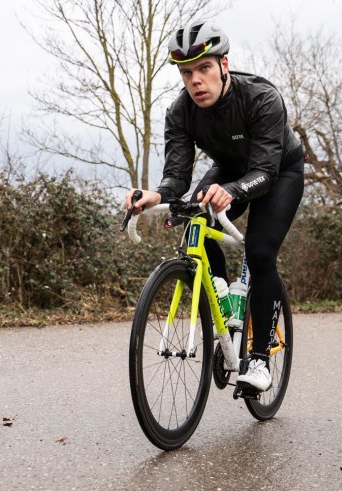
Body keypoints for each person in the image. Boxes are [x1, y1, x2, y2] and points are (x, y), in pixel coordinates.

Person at [125, 20, 304, 392]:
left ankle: (258, 357)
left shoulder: (261, 97)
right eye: (186, 72)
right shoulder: (180, 113)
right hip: (230, 170)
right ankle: (225, 312)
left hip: (279, 171)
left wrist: (233, 191)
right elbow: (176, 177)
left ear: (224, 65)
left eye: (204, 68)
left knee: (259, 252)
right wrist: (155, 196)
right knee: (193, 221)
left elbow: (265, 171)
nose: (195, 81)